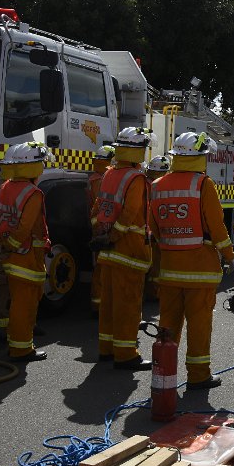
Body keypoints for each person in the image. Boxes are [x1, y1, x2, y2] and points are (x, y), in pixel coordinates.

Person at [149, 131, 234, 390]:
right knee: (199, 326)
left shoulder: (156, 185)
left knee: (168, 326)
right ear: (199, 157)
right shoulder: (202, 184)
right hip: (200, 271)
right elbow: (216, 226)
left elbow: (153, 227)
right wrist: (229, 255)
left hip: (169, 271)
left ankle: (164, 373)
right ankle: (198, 376)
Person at [91, 127, 153, 371]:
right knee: (127, 304)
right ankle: (126, 354)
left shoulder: (110, 174)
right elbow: (129, 214)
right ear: (138, 151)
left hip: (107, 251)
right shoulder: (135, 178)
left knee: (108, 303)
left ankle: (106, 349)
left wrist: (102, 235)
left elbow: (98, 208)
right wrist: (115, 235)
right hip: (128, 251)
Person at [0, 142, 51, 362]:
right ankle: (22, 349)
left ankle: (15, 342)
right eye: (40, 162)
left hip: (10, 256)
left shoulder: (4, 187)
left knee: (17, 302)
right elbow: (25, 227)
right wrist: (13, 245)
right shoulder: (32, 193)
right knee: (25, 305)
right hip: (27, 257)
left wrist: (2, 246)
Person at [89, 145, 114, 315]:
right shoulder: (103, 179)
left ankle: (98, 304)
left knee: (100, 267)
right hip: (103, 228)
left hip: (98, 226)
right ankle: (100, 306)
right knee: (103, 269)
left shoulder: (95, 177)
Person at [144, 155, 171, 300]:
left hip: (147, 229)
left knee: (151, 263)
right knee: (156, 263)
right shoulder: (159, 185)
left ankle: (151, 289)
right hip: (153, 229)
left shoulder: (144, 183)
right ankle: (155, 292)